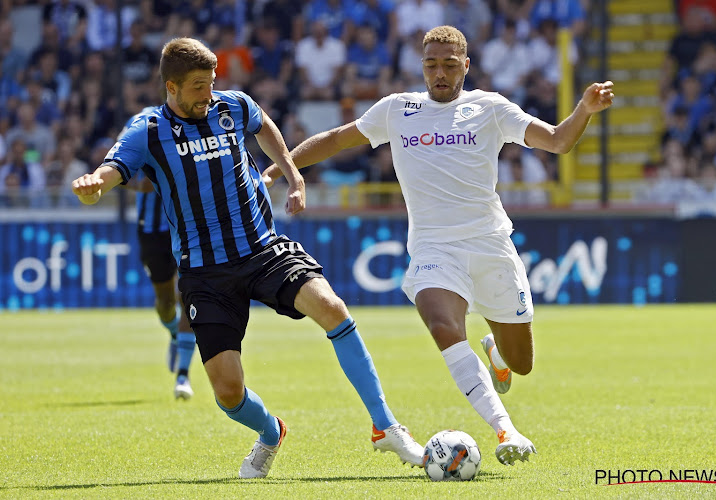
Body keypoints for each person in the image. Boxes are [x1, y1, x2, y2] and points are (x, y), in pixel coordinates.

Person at [71, 37, 423, 479]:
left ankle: (385, 425)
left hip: (262, 249)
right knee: (228, 393)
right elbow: (114, 167)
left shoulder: (231, 105)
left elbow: (264, 126)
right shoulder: (148, 129)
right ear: (172, 87)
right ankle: (271, 432)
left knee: (333, 308)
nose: (208, 93)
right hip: (205, 272)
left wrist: (293, 176)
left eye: (212, 82)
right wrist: (95, 184)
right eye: (198, 86)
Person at [262, 25, 614, 466]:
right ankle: (507, 430)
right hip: (433, 250)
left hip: (490, 246)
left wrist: (583, 108)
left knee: (520, 364)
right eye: (432, 65)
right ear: (422, 66)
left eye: (450, 65)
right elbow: (336, 139)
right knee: (444, 326)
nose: (440, 73)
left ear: (465, 65)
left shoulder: (489, 107)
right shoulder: (397, 109)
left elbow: (559, 141)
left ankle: (495, 353)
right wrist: (283, 169)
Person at [120, 105, 197, 400]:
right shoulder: (140, 122)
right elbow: (112, 165)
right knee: (165, 302)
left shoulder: (199, 125)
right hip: (153, 231)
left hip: (189, 226)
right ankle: (176, 336)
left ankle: (183, 376)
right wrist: (141, 185)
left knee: (188, 296)